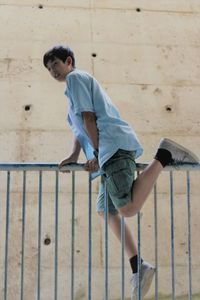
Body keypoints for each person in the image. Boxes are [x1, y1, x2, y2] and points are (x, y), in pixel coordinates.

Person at [43, 45, 199, 299]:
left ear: (68, 61)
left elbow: (89, 119)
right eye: (49, 69)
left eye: (55, 65)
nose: (53, 71)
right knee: (106, 210)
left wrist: (94, 153)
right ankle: (139, 266)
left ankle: (165, 154)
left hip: (112, 148)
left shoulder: (75, 78)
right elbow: (79, 128)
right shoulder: (70, 93)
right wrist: (74, 156)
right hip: (105, 154)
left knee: (127, 208)